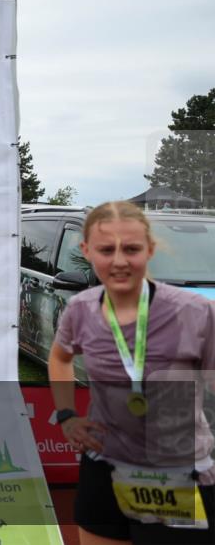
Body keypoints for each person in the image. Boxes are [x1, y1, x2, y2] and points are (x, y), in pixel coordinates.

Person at [48, 201, 215, 545]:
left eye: (132, 249)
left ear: (150, 249)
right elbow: (60, 357)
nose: (120, 261)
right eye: (106, 250)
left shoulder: (197, 312)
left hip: (175, 470)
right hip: (103, 463)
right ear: (87, 251)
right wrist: (66, 414)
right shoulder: (81, 309)